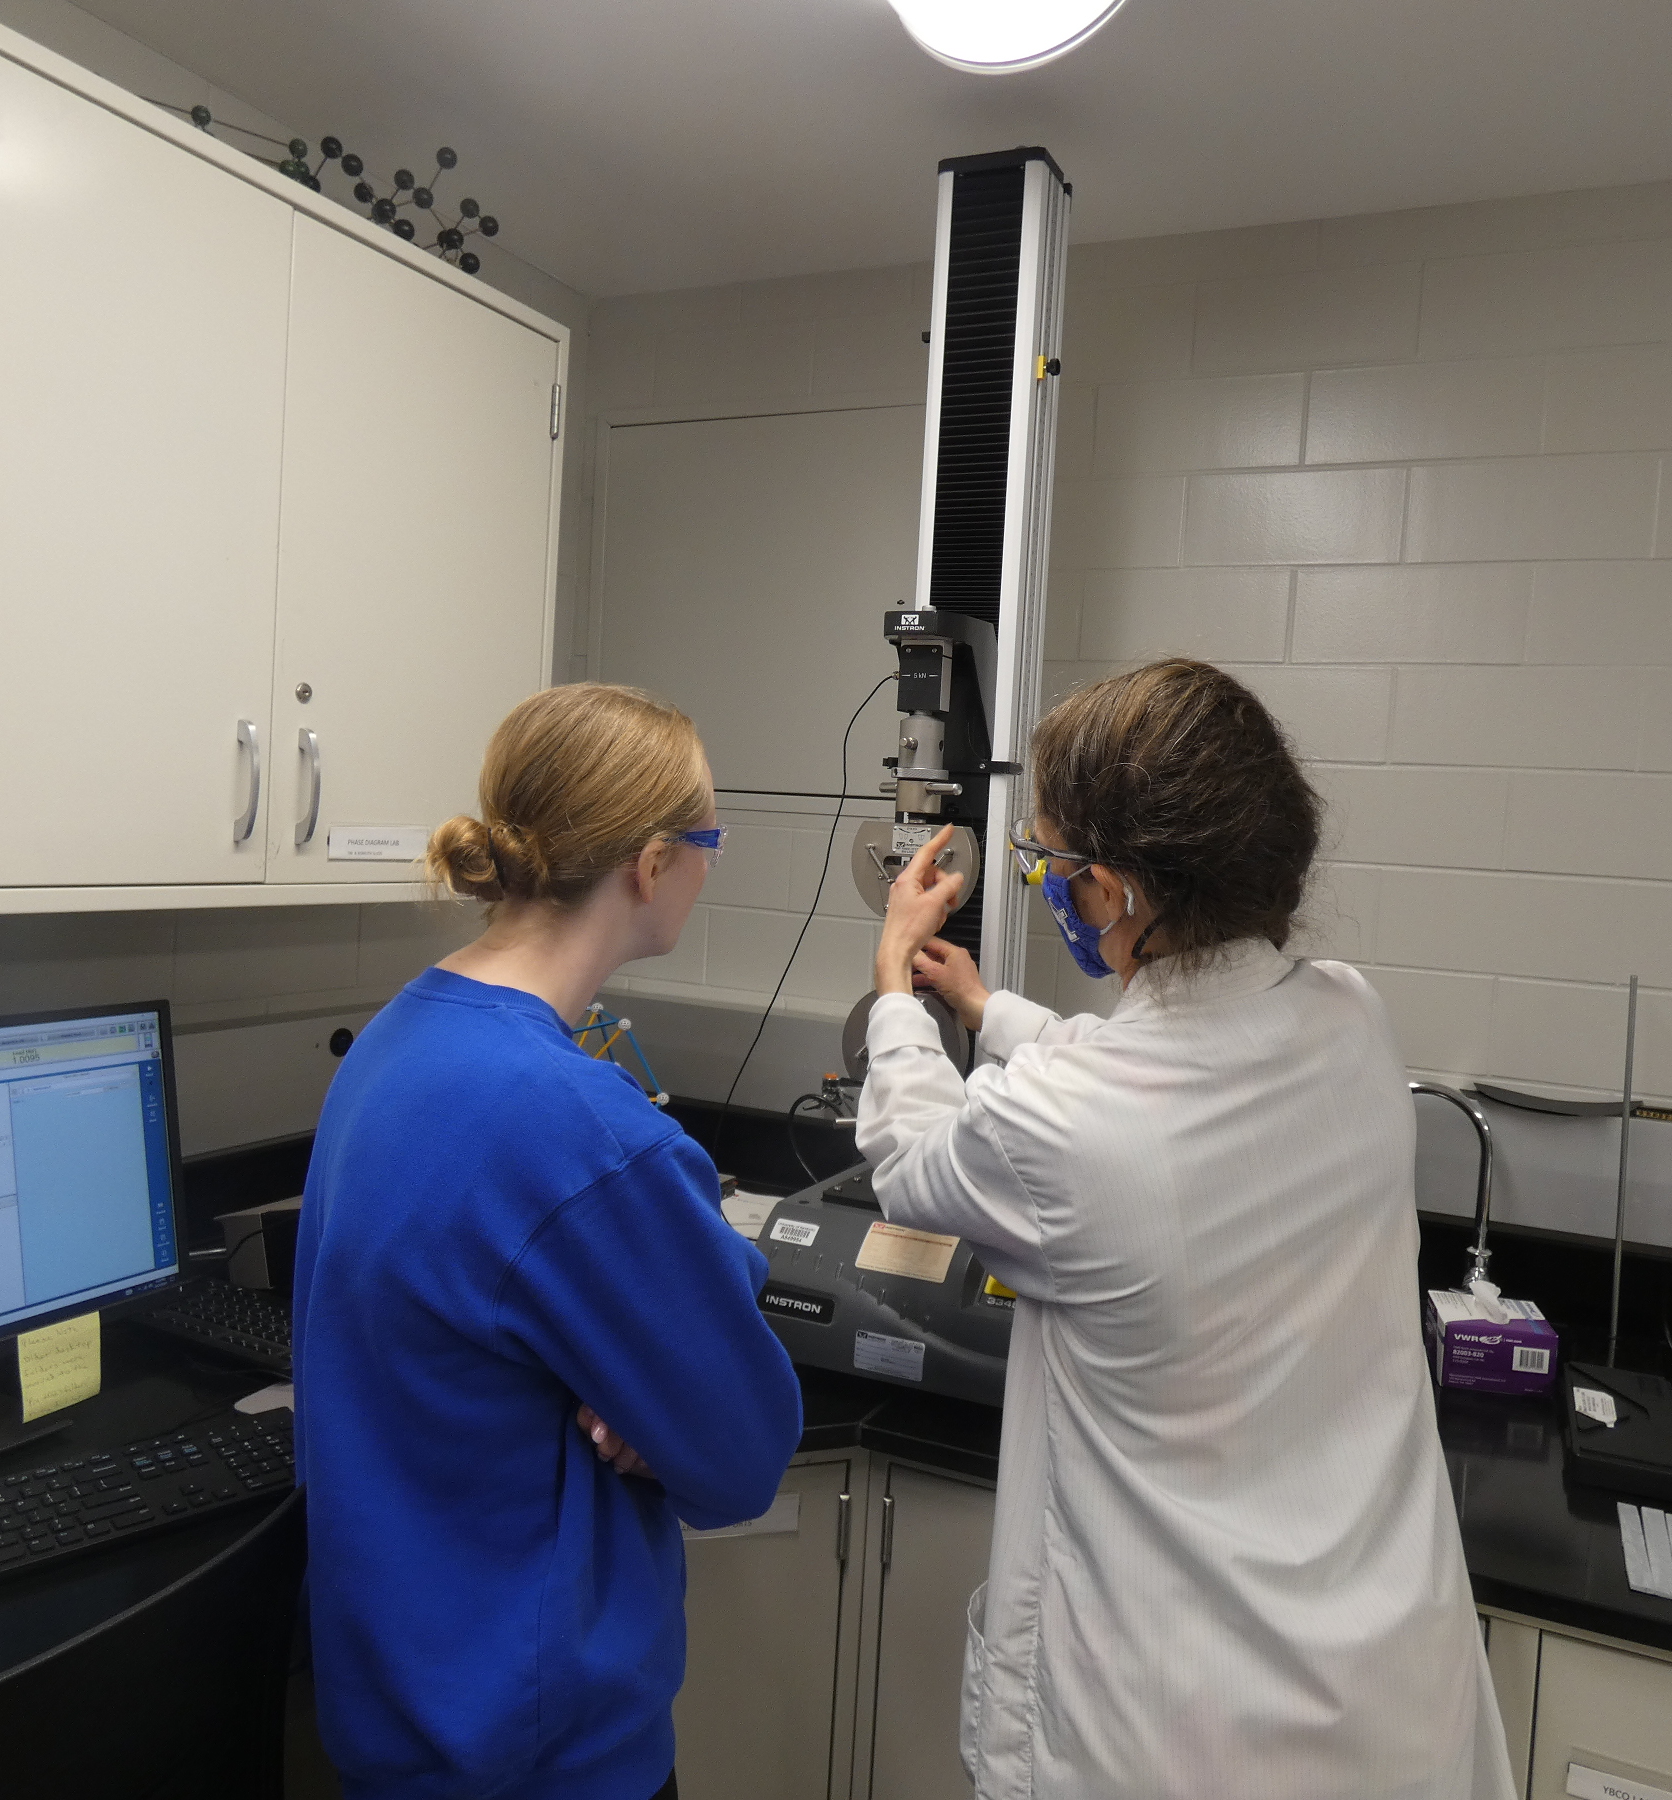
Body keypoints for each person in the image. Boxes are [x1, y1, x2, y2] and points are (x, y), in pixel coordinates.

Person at [856, 659, 1515, 1800]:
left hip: (1178, 1732)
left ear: (1114, 893)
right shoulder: (1349, 1015)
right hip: (1390, 1706)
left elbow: (916, 1161)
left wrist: (894, 989)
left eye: (1055, 865)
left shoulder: (1072, 1124)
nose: (1052, 884)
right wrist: (987, 1007)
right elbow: (1151, 1071)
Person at [293, 682, 804, 1800]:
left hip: (395, 1717)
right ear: (653, 865)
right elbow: (741, 1454)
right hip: (537, 1762)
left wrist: (634, 1391)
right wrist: (653, 1408)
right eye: (710, 844)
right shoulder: (579, 1130)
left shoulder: (397, 1038)